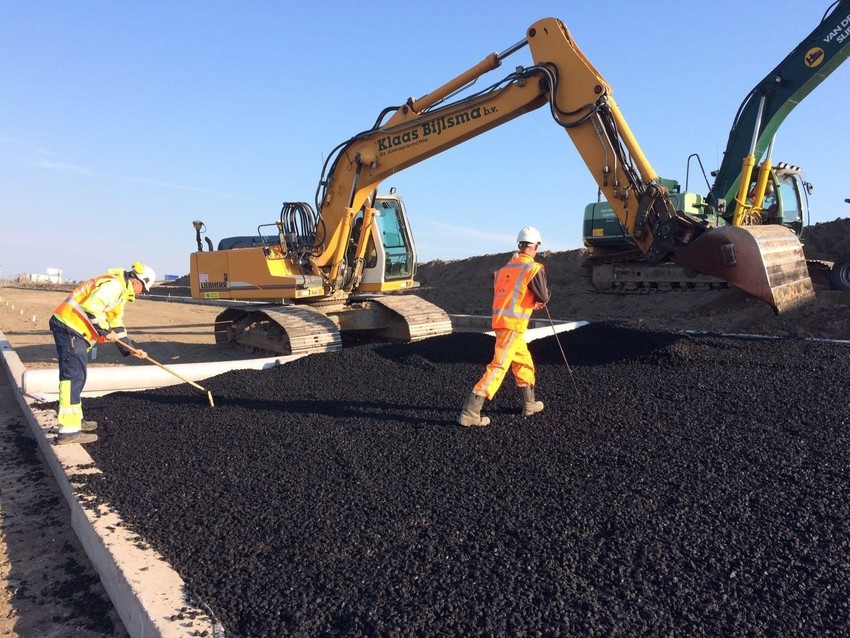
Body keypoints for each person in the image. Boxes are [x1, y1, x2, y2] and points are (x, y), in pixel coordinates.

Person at [49, 262, 156, 445]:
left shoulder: (120, 291)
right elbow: (92, 307)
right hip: (70, 327)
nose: (141, 294)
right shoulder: (114, 285)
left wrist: (131, 349)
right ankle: (68, 432)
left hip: (75, 330)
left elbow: (116, 325)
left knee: (78, 377)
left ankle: (76, 421)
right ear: (137, 282)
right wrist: (105, 331)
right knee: (72, 378)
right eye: (143, 289)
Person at [458, 227, 551, 427]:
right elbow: (543, 295)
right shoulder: (533, 268)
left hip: (503, 323)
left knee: (524, 361)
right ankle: (470, 411)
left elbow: (511, 294)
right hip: (513, 325)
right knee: (498, 366)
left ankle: (530, 403)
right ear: (536, 246)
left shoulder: (505, 269)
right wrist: (540, 301)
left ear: (519, 245)